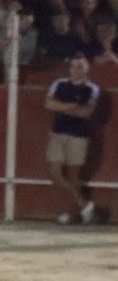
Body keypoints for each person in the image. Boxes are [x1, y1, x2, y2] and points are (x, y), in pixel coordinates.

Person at [45, 53, 102, 225]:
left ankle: (74, 214)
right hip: (59, 132)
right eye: (74, 66)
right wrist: (71, 106)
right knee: (54, 172)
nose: (76, 70)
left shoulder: (92, 88)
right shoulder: (59, 83)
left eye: (80, 66)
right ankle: (84, 205)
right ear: (69, 68)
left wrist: (61, 107)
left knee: (73, 175)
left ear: (86, 69)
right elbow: (48, 104)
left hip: (79, 135)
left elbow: (85, 112)